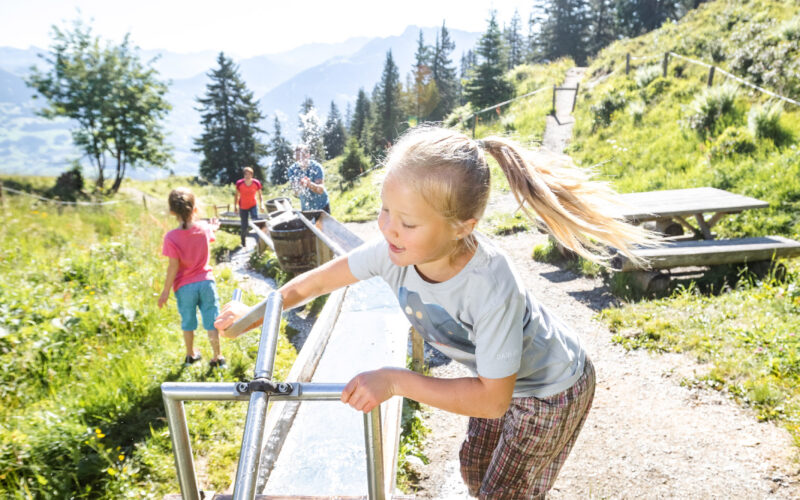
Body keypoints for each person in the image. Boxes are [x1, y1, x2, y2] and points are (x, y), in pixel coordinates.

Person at [215, 126, 653, 497]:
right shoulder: (392, 251)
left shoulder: (489, 283)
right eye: (385, 210)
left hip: (549, 389)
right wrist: (249, 319)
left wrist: (395, 381)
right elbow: (311, 285)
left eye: (408, 222)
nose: (388, 228)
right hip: (498, 382)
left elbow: (492, 401)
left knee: (504, 493)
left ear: (462, 227)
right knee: (473, 471)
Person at [158, 187, 226, 369]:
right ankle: (218, 357)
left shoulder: (171, 237)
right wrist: (214, 227)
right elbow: (209, 230)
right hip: (206, 283)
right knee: (212, 320)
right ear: (195, 209)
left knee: (188, 321)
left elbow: (173, 266)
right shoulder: (204, 228)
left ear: (172, 212)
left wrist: (165, 292)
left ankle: (190, 355)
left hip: (184, 287)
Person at [287, 144, 330, 213]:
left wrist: (310, 184)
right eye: (297, 156)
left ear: (308, 155)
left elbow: (320, 190)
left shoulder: (316, 167)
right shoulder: (292, 170)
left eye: (303, 155)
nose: (300, 158)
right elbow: (296, 193)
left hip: (322, 205)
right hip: (306, 208)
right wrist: (300, 186)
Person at [234, 166, 263, 247]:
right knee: (244, 226)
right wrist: (235, 206)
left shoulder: (256, 183)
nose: (247, 176)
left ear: (252, 175)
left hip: (253, 205)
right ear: (244, 175)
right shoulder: (239, 183)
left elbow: (260, 195)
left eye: (249, 174)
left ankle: (259, 242)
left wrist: (262, 205)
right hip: (243, 207)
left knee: (256, 222)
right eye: (246, 174)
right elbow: (236, 196)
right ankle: (243, 242)